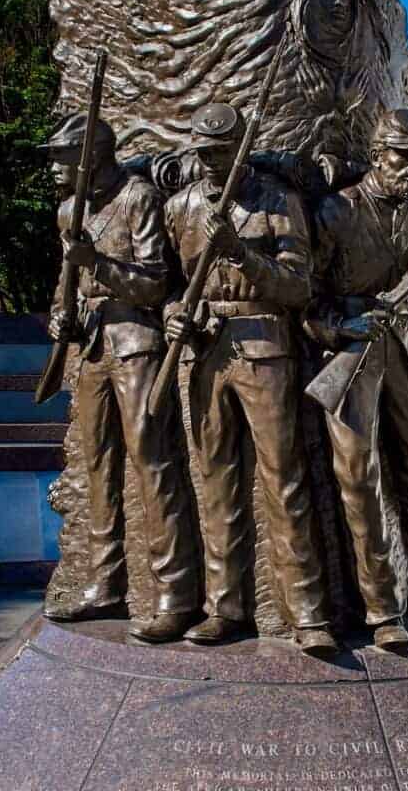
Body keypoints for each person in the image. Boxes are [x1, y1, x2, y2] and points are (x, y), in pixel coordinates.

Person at [163, 102, 337, 658]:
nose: (211, 165)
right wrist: (174, 311)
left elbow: (298, 287)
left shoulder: (278, 200)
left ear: (242, 149)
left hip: (265, 349)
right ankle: (224, 607)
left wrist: (241, 254)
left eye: (221, 153)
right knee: (215, 479)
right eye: (203, 155)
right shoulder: (182, 206)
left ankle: (307, 613)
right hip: (205, 351)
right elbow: (170, 283)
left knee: (283, 480)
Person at [305, 107, 408, 649]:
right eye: (404, 156)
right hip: (350, 358)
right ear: (378, 155)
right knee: (358, 477)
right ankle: (380, 608)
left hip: (407, 352)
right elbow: (304, 298)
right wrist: (336, 327)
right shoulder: (338, 211)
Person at [41, 114, 201, 643]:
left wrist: (101, 265)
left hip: (136, 345)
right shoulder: (69, 211)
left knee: (153, 464)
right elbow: (68, 287)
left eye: (62, 158)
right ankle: (104, 583)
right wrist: (59, 316)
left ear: (91, 157)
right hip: (90, 348)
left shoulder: (138, 199)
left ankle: (173, 595)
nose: (54, 169)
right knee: (99, 468)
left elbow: (157, 284)